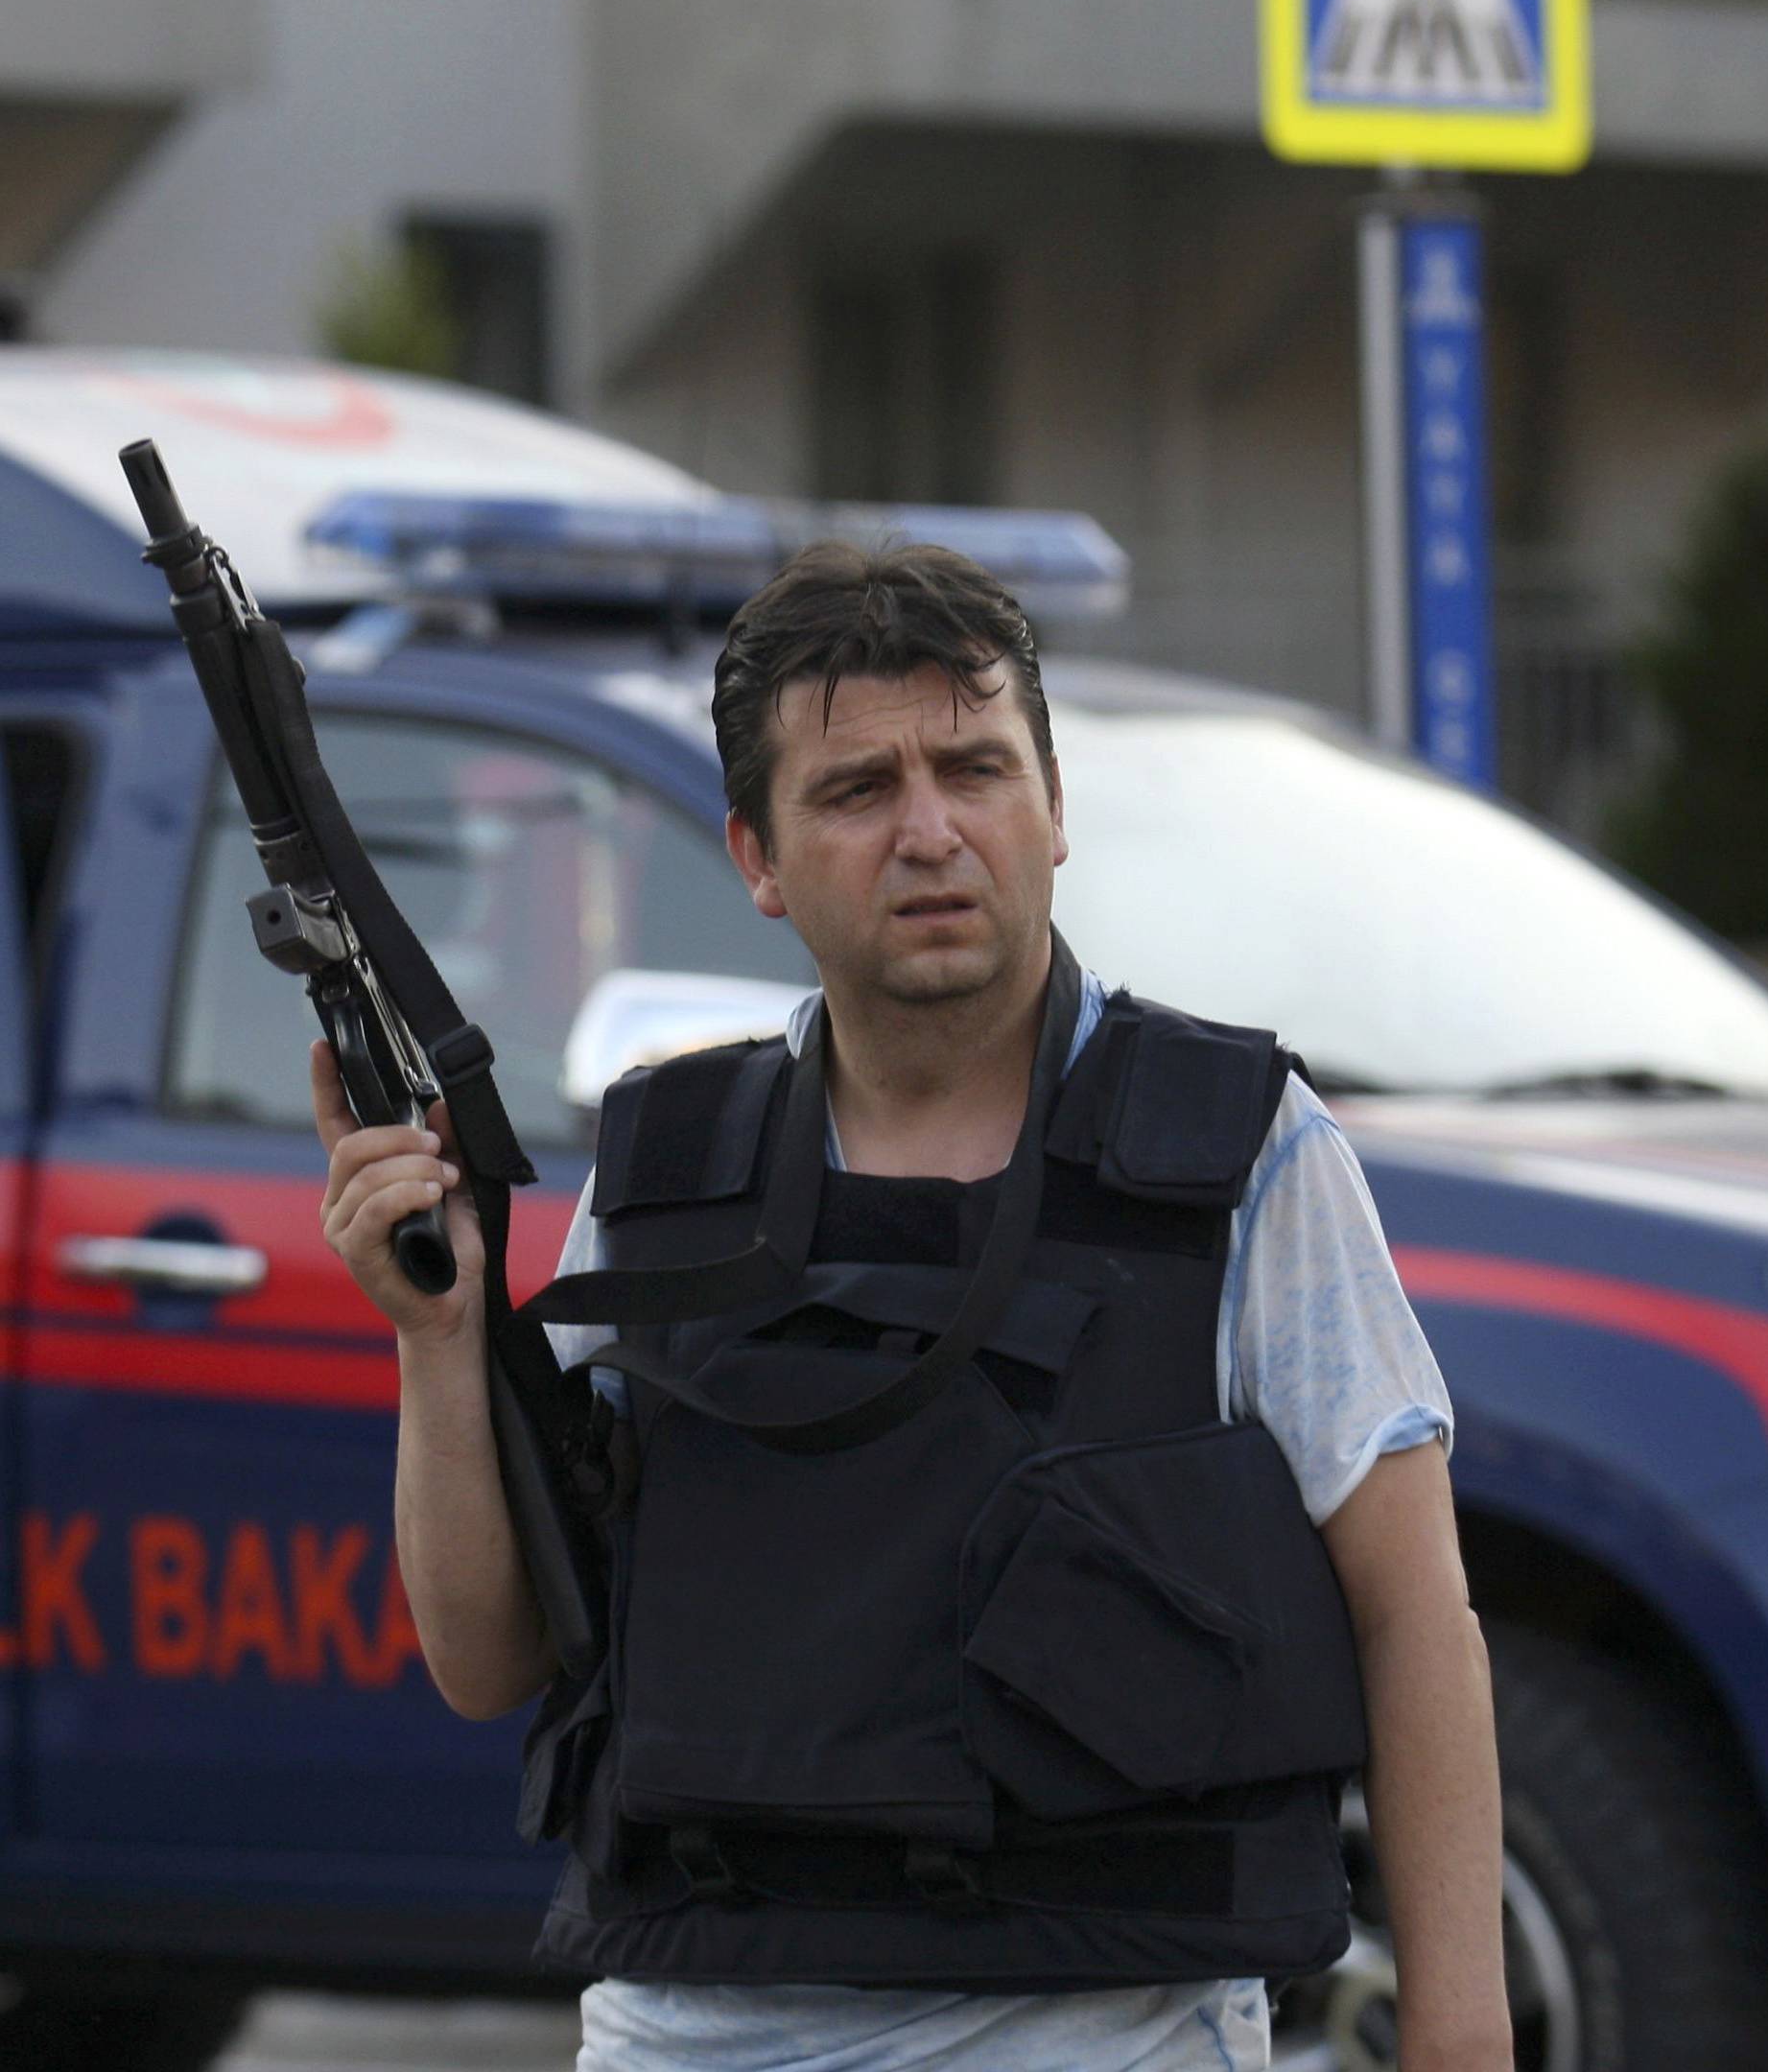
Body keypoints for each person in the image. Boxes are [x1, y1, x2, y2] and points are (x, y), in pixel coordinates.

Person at [313, 541, 1513, 2072]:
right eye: (858, 789)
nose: (933, 832)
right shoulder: (672, 1166)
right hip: (702, 2027)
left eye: (977, 768)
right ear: (755, 855)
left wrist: (1463, 2044)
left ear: (1056, 809)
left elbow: (1417, 1617)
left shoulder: (1242, 1153)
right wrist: (438, 1340)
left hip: (1107, 2030)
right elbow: (489, 1666)